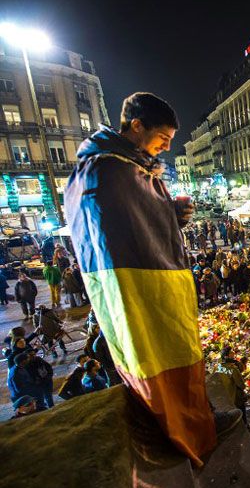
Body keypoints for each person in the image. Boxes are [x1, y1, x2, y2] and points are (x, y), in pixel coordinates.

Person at [66, 92, 238, 465]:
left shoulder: (127, 167)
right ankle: (182, 429)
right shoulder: (107, 169)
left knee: (173, 349)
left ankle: (192, 419)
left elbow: (139, 220)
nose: (167, 146)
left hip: (148, 279)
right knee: (158, 351)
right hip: (137, 287)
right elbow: (121, 226)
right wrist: (163, 213)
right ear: (136, 125)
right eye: (163, 137)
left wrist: (169, 213)